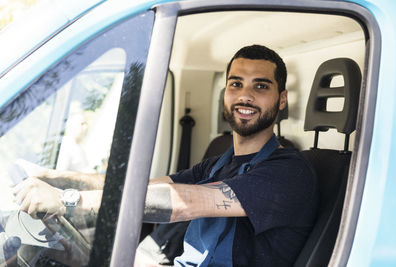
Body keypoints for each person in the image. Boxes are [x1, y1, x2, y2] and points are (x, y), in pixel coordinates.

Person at [12, 44, 319, 266]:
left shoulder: (289, 172)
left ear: (281, 100)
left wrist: (68, 201)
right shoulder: (219, 164)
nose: (245, 95)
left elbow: (183, 202)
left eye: (260, 86)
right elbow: (139, 187)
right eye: (235, 83)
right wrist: (55, 178)